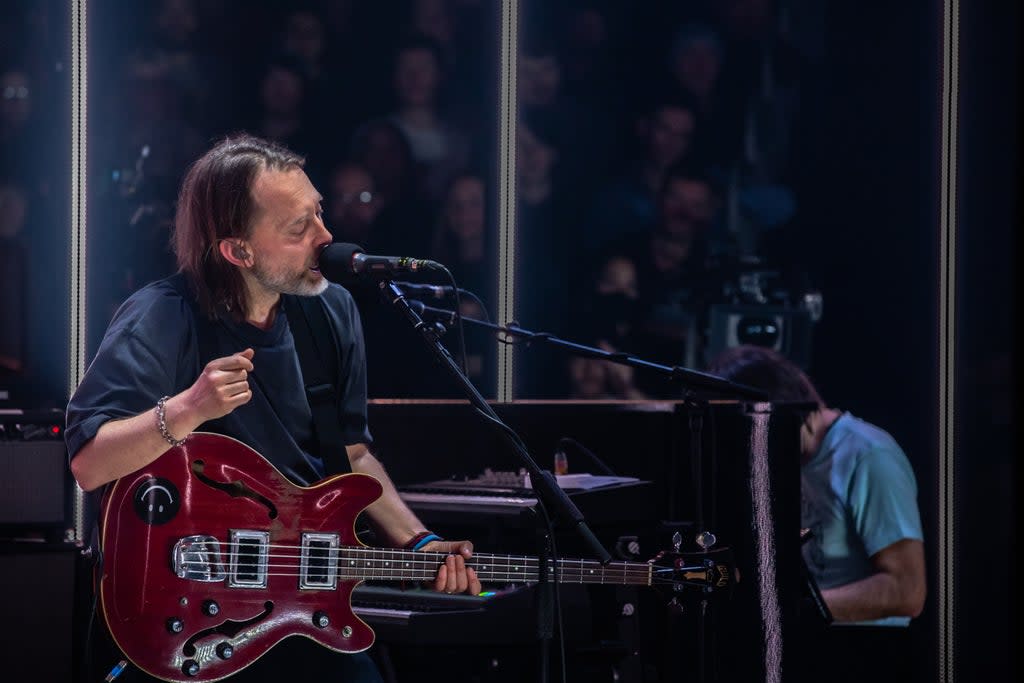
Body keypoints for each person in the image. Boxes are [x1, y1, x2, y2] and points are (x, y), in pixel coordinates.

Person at [65, 134, 480, 682]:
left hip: (301, 604)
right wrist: (189, 409)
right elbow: (89, 463)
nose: (326, 238)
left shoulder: (331, 311)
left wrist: (418, 542)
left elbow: (351, 453)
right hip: (188, 609)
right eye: (298, 228)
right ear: (239, 251)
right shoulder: (160, 318)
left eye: (319, 213)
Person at [705, 344, 926, 681]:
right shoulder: (780, 459)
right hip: (803, 644)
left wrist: (798, 607)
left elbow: (907, 591)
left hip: (863, 653)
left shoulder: (868, 456)